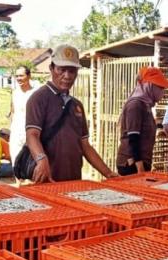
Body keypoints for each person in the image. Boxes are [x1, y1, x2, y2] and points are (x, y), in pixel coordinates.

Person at [26, 44, 117, 182]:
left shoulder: (76, 105)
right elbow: (32, 135)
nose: (67, 76)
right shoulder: (39, 98)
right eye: (61, 70)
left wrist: (109, 173)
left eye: (72, 71)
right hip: (48, 179)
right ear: (51, 68)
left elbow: (85, 145)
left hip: (74, 179)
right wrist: (41, 159)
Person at [116, 66, 168, 176]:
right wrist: (140, 168)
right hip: (131, 164)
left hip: (140, 161)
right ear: (149, 86)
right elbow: (133, 138)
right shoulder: (136, 105)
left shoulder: (146, 105)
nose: (162, 92)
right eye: (160, 87)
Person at [9, 65, 38, 165]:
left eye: (21, 76)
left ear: (29, 76)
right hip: (16, 132)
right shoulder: (15, 93)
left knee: (31, 162)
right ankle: (18, 181)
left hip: (31, 132)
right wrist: (12, 128)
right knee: (16, 160)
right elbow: (13, 111)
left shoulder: (35, 94)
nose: (18, 78)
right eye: (17, 76)